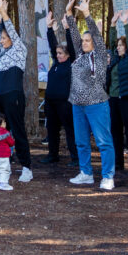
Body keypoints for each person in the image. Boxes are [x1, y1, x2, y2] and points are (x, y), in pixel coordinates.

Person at [65, 0, 115, 190]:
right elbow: (75, 37)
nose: (84, 43)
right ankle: (86, 173)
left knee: (103, 142)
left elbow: (95, 34)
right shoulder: (80, 55)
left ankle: (108, 176)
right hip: (77, 105)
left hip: (96, 104)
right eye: (84, 41)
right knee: (81, 142)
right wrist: (69, 14)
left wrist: (86, 14)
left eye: (88, 40)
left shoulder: (100, 55)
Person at [0, 0, 32, 182]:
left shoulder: (19, 49)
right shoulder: (1, 53)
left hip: (13, 96)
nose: (2, 40)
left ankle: (26, 167)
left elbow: (9, 28)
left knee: (17, 131)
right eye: (1, 38)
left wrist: (3, 11)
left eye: (5, 38)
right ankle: (0, 163)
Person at [38, 11, 76, 166]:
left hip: (65, 103)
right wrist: (49, 29)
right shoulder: (56, 64)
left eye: (61, 53)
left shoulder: (71, 63)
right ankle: (53, 154)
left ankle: (75, 157)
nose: (58, 55)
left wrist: (67, 29)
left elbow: (72, 46)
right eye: (57, 54)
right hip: (51, 103)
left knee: (69, 130)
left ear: (67, 55)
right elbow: (53, 46)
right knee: (52, 130)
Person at [107, 9, 128, 174]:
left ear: (127, 48)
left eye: (121, 45)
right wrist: (113, 24)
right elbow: (112, 42)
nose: (118, 47)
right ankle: (118, 163)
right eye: (118, 45)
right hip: (113, 99)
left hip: (127, 99)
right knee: (115, 132)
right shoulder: (115, 60)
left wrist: (125, 23)